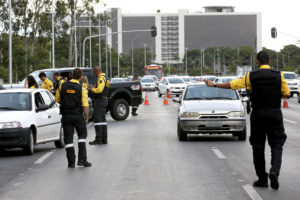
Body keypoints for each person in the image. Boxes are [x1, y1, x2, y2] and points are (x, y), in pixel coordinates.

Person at [205, 51, 289, 190]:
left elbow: (232, 85)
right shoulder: (279, 75)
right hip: (274, 114)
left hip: (258, 115)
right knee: (277, 144)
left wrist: (214, 85)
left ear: (258, 62)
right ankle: (274, 170)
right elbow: (286, 93)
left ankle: (262, 178)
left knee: (258, 146)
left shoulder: (251, 76)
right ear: (269, 61)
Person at [55, 68, 92, 168]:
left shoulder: (62, 85)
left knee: (68, 140)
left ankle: (71, 162)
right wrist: (86, 118)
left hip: (66, 116)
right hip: (78, 116)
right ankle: (82, 160)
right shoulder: (81, 88)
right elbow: (85, 105)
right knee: (82, 136)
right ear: (80, 77)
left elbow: (57, 99)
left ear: (71, 75)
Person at [88, 67, 109, 145]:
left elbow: (100, 89)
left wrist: (92, 90)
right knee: (102, 120)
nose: (94, 74)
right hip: (103, 100)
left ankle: (98, 139)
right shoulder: (105, 77)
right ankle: (104, 139)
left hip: (100, 101)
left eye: (94, 72)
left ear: (97, 71)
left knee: (97, 119)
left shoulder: (101, 78)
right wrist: (94, 87)